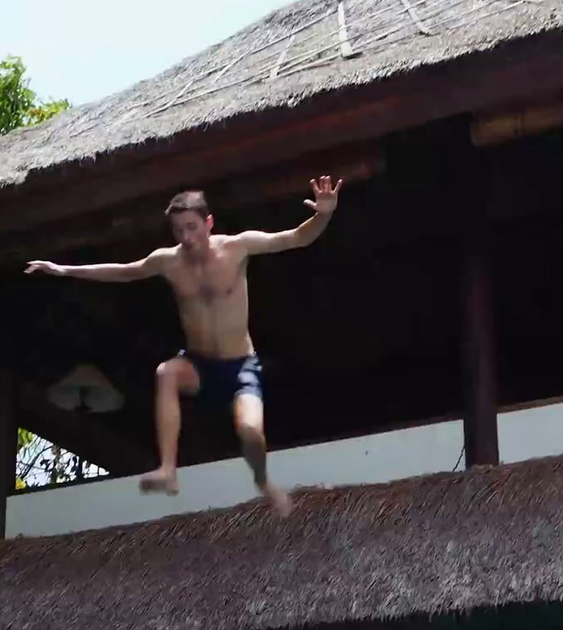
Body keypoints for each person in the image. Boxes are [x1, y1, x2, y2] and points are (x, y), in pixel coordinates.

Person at [24, 176, 342, 516]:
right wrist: (63, 269)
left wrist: (323, 215)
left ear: (209, 222)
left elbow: (296, 238)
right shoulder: (168, 261)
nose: (186, 238)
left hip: (240, 367)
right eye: (178, 231)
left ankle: (262, 480)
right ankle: (167, 469)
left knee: (250, 431)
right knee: (166, 373)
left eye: (192, 228)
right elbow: (124, 272)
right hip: (198, 365)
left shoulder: (238, 248)